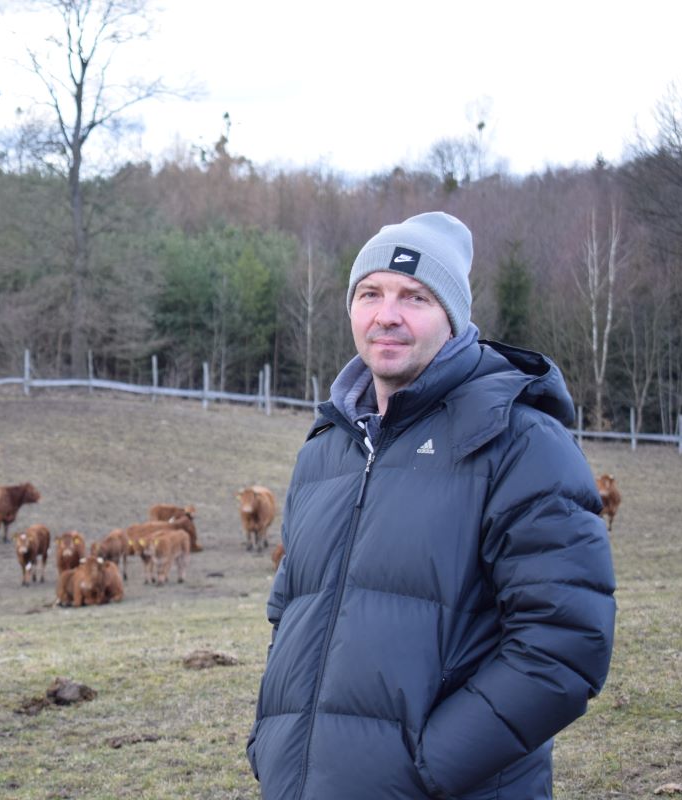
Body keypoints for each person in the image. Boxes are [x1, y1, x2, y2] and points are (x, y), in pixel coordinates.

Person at [246, 212, 616, 799]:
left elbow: (564, 646)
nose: (386, 313)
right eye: (370, 292)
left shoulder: (518, 443)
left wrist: (426, 770)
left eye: (414, 296)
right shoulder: (327, 450)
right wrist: (272, 742)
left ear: (453, 317)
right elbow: (289, 612)